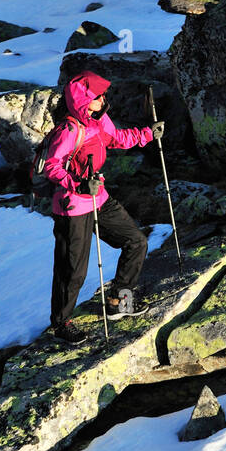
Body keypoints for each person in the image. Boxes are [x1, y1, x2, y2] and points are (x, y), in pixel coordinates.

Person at [42, 70, 164, 345]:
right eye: (97, 96)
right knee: (73, 270)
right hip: (72, 205)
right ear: (83, 99)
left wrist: (148, 134)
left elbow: (118, 138)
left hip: (99, 197)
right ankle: (61, 323)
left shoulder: (99, 121)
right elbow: (52, 166)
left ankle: (119, 300)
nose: (102, 99)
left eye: (103, 95)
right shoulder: (69, 129)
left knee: (136, 241)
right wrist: (78, 185)